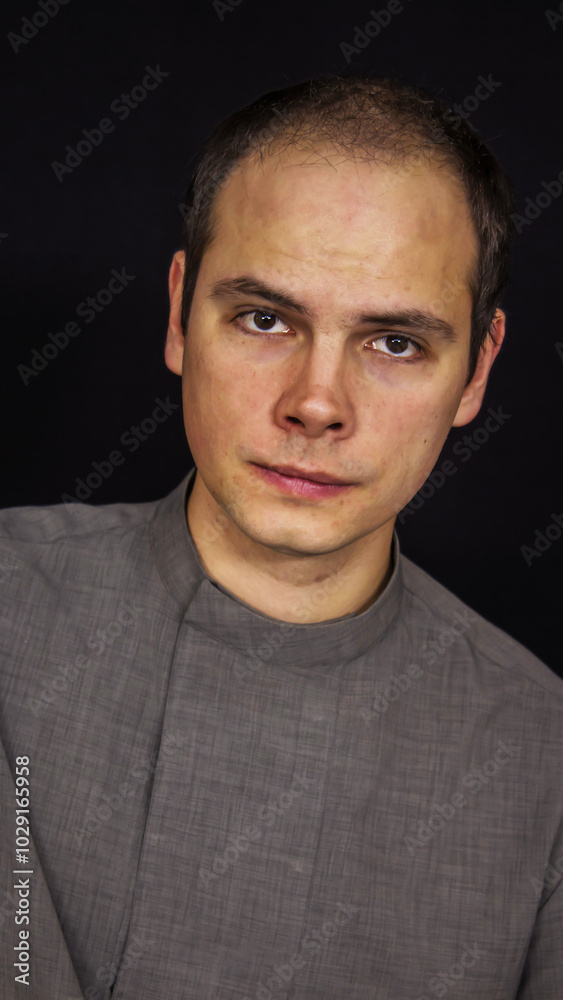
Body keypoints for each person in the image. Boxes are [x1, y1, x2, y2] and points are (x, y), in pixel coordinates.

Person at [0, 74, 561, 1000]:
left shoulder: (543, 765)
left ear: (475, 372)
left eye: (395, 343)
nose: (315, 403)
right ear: (179, 316)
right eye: (264, 319)